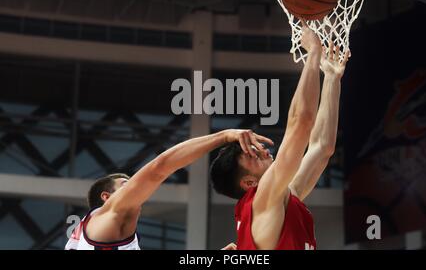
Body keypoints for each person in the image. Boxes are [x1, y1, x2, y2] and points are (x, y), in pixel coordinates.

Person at [210, 23, 350, 250]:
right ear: (249, 183)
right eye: (254, 156)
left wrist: (332, 79)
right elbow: (301, 123)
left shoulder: (279, 198)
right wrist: (313, 52)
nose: (264, 150)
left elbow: (322, 148)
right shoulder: (264, 198)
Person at [65, 129, 272, 250]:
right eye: (126, 185)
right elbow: (160, 167)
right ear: (106, 197)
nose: (137, 188)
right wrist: (225, 136)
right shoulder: (109, 217)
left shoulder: (95, 234)